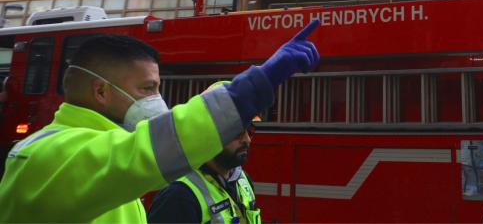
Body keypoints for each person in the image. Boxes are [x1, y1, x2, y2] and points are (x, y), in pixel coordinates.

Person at [0, 20, 321, 222]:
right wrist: (252, 87)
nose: (157, 101)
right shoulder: (44, 157)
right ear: (100, 91)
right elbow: (146, 152)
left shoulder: (98, 154)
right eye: (146, 89)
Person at [148, 82, 261, 224]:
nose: (247, 140)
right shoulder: (178, 196)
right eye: (236, 132)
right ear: (208, 131)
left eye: (250, 131)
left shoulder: (243, 181)